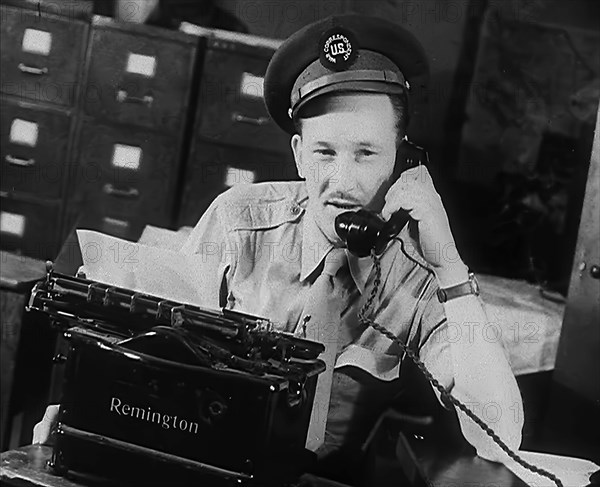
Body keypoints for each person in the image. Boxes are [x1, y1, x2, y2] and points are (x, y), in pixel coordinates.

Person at [34, 14, 523, 484]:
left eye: (367, 153)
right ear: (298, 156)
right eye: (325, 153)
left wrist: (450, 267)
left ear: (403, 160)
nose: (343, 182)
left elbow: (500, 436)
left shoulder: (416, 277)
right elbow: (162, 358)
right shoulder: (238, 224)